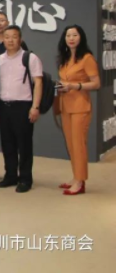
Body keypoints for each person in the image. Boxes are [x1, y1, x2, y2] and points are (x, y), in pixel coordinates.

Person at [0, 26, 42, 193]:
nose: (10, 40)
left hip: (23, 106)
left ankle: (25, 179)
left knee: (24, 144)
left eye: (14, 37)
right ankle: (11, 175)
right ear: (3, 40)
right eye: (7, 37)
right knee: (7, 144)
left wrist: (35, 107)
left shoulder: (30, 58)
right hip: (3, 106)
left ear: (20, 39)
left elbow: (38, 83)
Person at [56, 25, 100, 196]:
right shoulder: (65, 58)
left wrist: (75, 86)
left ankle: (80, 182)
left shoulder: (87, 58)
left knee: (79, 144)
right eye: (68, 35)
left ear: (81, 37)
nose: (71, 38)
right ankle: (76, 177)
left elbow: (96, 83)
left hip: (80, 106)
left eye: (75, 35)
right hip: (65, 105)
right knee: (71, 144)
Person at [0, 11, 28, 179]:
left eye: (1, 20)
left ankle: (19, 174)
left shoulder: (20, 47)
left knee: (15, 139)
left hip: (15, 99)